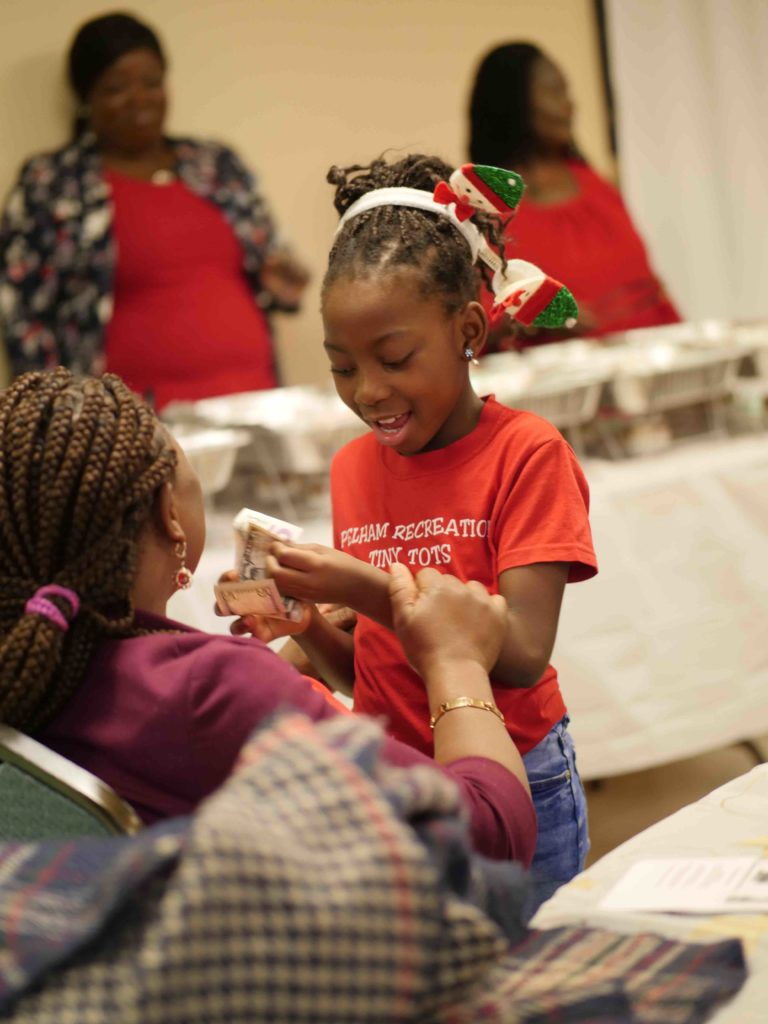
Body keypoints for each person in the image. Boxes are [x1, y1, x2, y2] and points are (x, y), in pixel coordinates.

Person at [240, 153, 598, 908]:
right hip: (400, 779)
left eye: (395, 359)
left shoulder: (527, 454)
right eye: (342, 368)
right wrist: (308, 623)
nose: (369, 392)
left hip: (515, 778)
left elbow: (522, 655)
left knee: (529, 962)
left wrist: (361, 586)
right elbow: (371, 673)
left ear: (469, 330)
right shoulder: (352, 468)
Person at [0, 368, 535, 865]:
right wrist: (455, 663)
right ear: (169, 512)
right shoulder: (209, 687)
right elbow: (488, 838)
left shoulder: (31, 669)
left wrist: (292, 660)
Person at [0, 12, 308, 409]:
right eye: (116, 87)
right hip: (131, 424)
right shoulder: (53, 183)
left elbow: (273, 273)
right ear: (86, 98)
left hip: (254, 403)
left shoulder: (217, 165)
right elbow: (22, 317)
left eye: (151, 82)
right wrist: (58, 416)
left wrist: (282, 284)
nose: (139, 99)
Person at [468, 42, 680, 345]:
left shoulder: (596, 186)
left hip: (654, 356)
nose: (569, 105)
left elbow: (650, 288)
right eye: (555, 91)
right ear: (513, 104)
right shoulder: (485, 212)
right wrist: (529, 315)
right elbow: (471, 336)